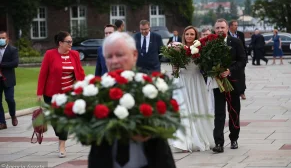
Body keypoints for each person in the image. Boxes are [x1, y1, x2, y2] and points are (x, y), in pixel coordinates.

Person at [88, 32, 176, 168]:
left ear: (134, 55)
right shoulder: (94, 90)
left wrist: (151, 130)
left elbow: (172, 123)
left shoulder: (155, 85)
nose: (114, 61)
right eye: (109, 57)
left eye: (119, 55)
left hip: (152, 162)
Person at [37, 31, 85, 158]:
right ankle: (61, 136)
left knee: (65, 119)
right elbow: (43, 74)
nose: (71, 44)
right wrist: (39, 93)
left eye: (71, 41)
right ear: (60, 43)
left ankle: (62, 144)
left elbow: (80, 72)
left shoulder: (74, 54)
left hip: (69, 94)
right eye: (68, 42)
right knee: (55, 120)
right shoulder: (50, 54)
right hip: (51, 94)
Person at [171, 26, 214, 152]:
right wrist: (174, 69)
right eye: (187, 34)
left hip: (196, 80)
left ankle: (198, 138)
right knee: (183, 110)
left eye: (192, 34)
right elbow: (175, 70)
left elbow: (205, 66)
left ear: (196, 36)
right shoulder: (177, 47)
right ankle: (183, 141)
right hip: (182, 81)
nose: (189, 36)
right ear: (183, 35)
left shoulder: (200, 48)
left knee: (197, 108)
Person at [211, 19, 247, 153]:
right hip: (217, 83)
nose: (220, 30)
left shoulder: (236, 42)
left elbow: (243, 60)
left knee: (234, 112)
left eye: (222, 27)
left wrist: (229, 70)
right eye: (217, 28)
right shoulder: (211, 43)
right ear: (215, 29)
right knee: (219, 113)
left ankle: (234, 138)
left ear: (227, 29)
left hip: (233, 83)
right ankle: (219, 143)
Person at [0, 31, 19, 130]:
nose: (1, 40)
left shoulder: (13, 50)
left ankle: (13, 115)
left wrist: (2, 65)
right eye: (0, 38)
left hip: (8, 79)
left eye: (3, 38)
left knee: (9, 99)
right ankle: (2, 122)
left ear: (7, 38)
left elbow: (15, 63)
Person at [228, 20, 247, 100]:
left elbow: (243, 46)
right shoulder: (227, 35)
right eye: (235, 25)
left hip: (240, 59)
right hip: (231, 59)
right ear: (230, 26)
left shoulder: (240, 34)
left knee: (241, 75)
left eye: (237, 25)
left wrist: (244, 57)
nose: (236, 26)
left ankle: (242, 92)